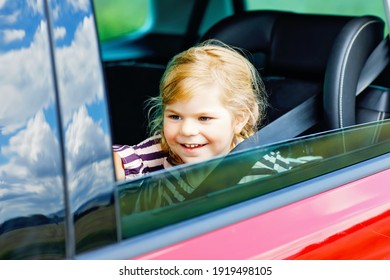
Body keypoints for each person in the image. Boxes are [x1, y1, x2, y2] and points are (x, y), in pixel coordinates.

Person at [113, 39, 268, 181]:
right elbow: (113, 164)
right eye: (175, 116)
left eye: (204, 118)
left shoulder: (265, 172)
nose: (187, 130)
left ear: (239, 119)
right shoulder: (159, 155)